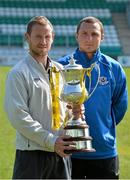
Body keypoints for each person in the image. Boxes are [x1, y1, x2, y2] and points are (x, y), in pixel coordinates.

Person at [4, 16, 76, 179]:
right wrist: (51, 141)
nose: (43, 41)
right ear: (27, 37)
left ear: (52, 38)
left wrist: (75, 113)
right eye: (38, 36)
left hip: (61, 153)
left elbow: (66, 110)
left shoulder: (60, 70)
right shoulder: (18, 73)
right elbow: (19, 117)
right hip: (32, 156)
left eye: (47, 36)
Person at [58, 16, 128, 179]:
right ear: (77, 36)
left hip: (104, 151)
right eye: (84, 34)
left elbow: (120, 107)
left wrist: (103, 126)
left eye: (94, 34)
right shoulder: (61, 66)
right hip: (69, 150)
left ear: (102, 36)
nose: (89, 39)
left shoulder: (114, 68)